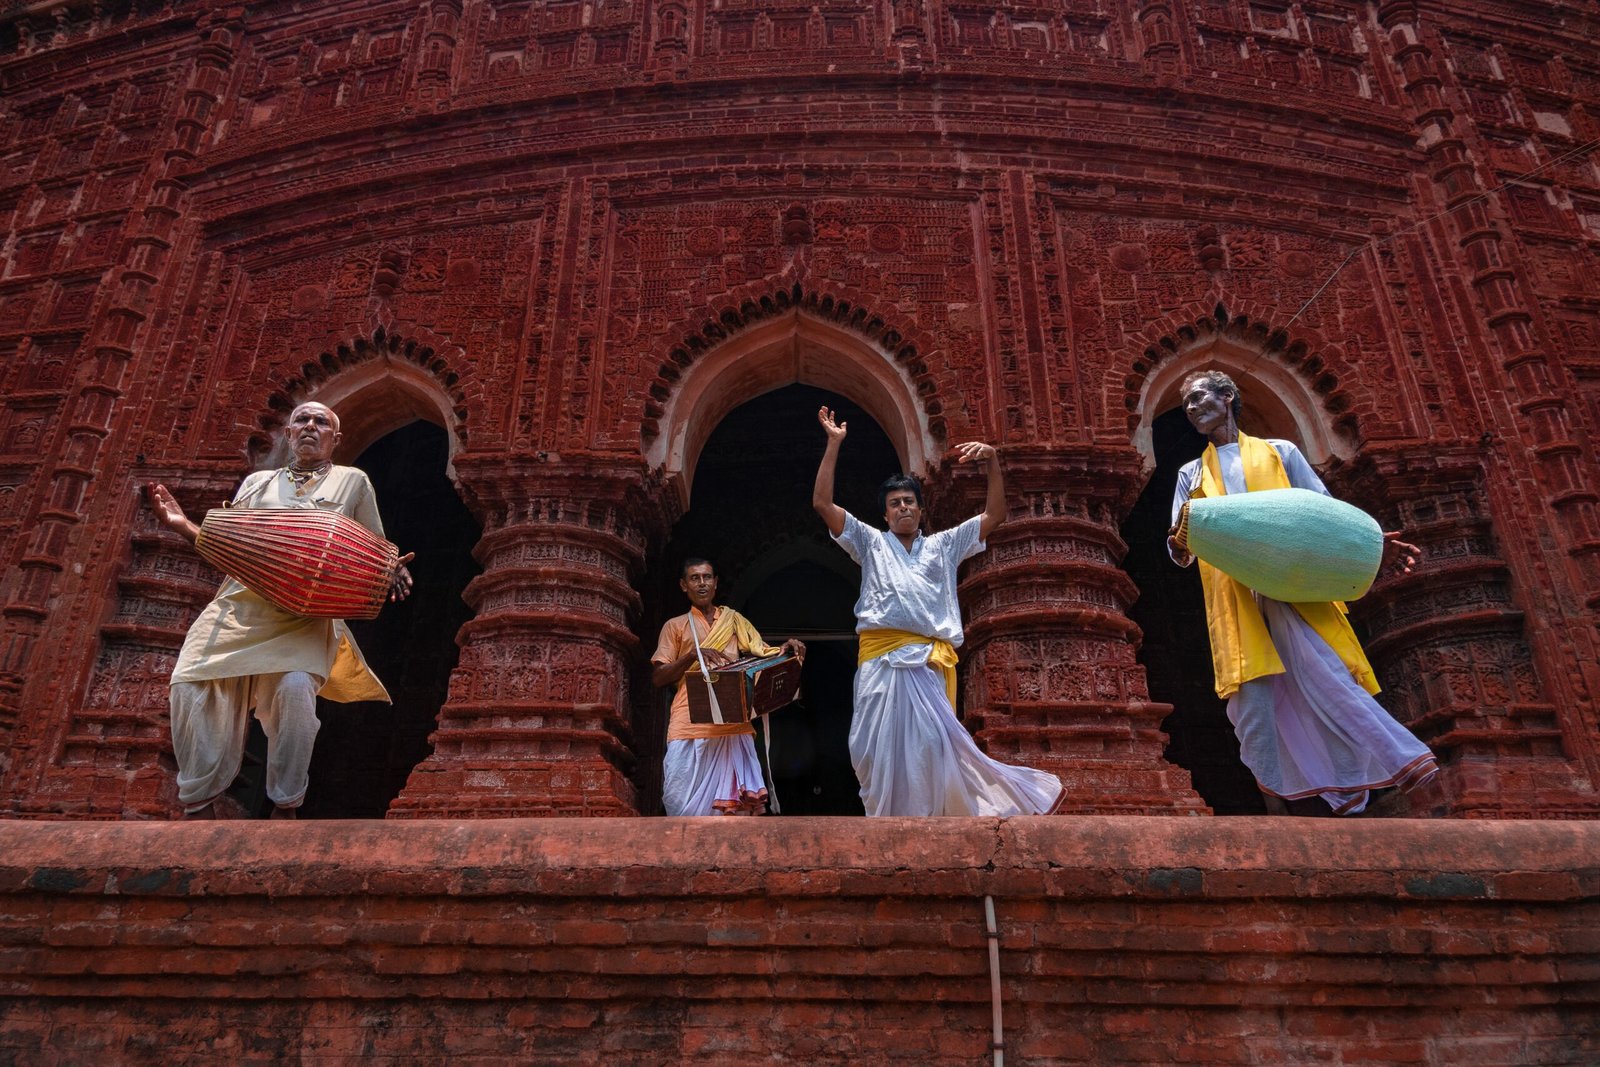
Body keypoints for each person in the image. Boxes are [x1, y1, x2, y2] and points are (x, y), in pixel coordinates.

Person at [1167, 370, 1437, 815]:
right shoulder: (1191, 473)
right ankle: (1278, 807)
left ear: (1227, 396)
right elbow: (1180, 549)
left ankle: (1401, 770)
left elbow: (1323, 513)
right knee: (1252, 707)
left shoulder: (1280, 452)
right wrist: (1181, 539)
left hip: (1293, 585)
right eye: (1186, 405)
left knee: (1329, 679)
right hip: (1236, 596)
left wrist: (1369, 544)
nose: (1192, 409)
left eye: (1198, 397)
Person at [147, 401, 413, 820]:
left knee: (295, 691)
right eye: (301, 420)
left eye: (321, 422)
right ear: (288, 434)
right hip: (239, 604)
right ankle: (200, 802)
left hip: (304, 614)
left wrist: (391, 569)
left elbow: (376, 551)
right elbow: (230, 546)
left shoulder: (352, 481)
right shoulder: (257, 484)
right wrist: (183, 525)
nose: (310, 426)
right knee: (189, 685)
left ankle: (285, 805)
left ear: (335, 438)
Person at [812, 406, 1065, 816]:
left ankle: (931, 823)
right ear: (885, 514)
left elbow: (995, 515)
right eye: (895, 503)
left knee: (931, 747)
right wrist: (833, 444)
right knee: (871, 750)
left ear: (921, 510)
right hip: (880, 660)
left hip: (928, 664)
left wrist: (993, 463)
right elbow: (822, 503)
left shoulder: (944, 545)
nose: (903, 508)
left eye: (909, 502)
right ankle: (886, 825)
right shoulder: (871, 543)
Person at [651, 558, 805, 816]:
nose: (702, 583)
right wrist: (692, 656)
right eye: (695, 578)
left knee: (733, 811)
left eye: (707, 577)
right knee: (678, 800)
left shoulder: (734, 620)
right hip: (688, 722)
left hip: (731, 721)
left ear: (715, 583)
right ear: (683, 585)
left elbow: (763, 652)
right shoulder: (675, 626)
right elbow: (658, 677)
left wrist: (786, 649)